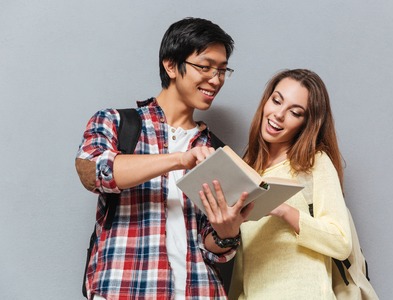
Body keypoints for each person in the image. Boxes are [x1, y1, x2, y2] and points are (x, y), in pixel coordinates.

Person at [75, 17, 251, 300]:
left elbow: (211, 245)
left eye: (222, 70)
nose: (216, 79)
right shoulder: (117, 122)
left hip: (200, 292)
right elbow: (93, 171)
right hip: (126, 289)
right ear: (171, 65)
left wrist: (225, 233)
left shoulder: (216, 150)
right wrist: (180, 159)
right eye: (205, 67)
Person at [225, 69, 353, 299]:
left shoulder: (313, 163)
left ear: (307, 123)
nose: (278, 114)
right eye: (276, 101)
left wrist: (283, 210)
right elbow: (245, 259)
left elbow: (341, 243)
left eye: (295, 112)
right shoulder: (249, 169)